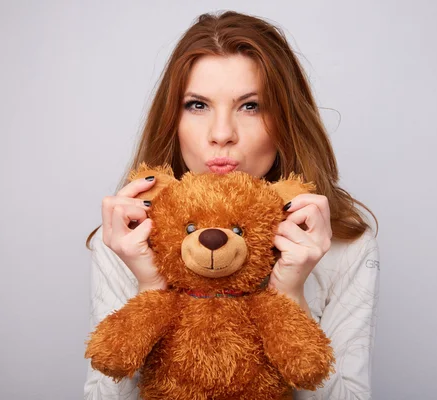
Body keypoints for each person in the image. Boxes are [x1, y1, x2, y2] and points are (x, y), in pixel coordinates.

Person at [83, 10, 380, 400]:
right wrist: (150, 287)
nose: (222, 134)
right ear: (172, 118)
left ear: (286, 119)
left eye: (250, 106)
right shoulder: (128, 235)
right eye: (197, 105)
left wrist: (290, 296)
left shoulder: (345, 244)